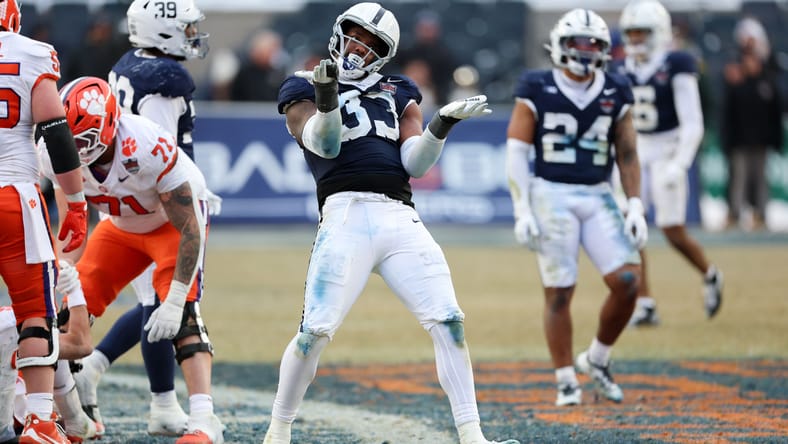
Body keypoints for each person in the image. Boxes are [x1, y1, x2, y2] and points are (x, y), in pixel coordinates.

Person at [263, 3, 519, 444]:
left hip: (400, 216)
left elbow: (414, 163)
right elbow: (323, 146)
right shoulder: (303, 85)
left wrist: (442, 123)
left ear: (385, 52)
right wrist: (327, 100)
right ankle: (278, 431)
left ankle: (473, 436)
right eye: (356, 35)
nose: (359, 48)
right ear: (340, 32)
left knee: (449, 320)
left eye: (372, 43)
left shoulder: (399, 89)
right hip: (344, 213)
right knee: (315, 332)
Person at [39, 76, 224, 444]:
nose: (74, 150)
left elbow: (189, 226)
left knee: (182, 316)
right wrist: (63, 271)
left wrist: (173, 299)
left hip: (171, 225)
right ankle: (73, 410)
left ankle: (205, 421)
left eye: (85, 140)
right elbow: (73, 224)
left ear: (110, 126)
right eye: (68, 140)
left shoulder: (145, 142)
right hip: (120, 227)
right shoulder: (52, 151)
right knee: (66, 310)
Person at [69, 0, 220, 438]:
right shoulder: (162, 83)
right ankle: (166, 405)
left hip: (128, 200)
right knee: (169, 307)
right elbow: (157, 150)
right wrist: (189, 187)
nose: (193, 36)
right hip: (148, 202)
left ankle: (147, 395)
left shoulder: (129, 64)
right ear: (163, 30)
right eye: (186, 28)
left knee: (163, 307)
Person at [506, 8, 647, 407]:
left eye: (593, 44)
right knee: (560, 292)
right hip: (551, 192)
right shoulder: (535, 85)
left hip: (598, 192)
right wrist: (522, 208)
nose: (585, 51)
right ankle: (566, 378)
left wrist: (634, 205)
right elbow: (516, 151)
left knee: (628, 282)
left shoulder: (615, 89)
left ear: (604, 50)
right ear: (560, 45)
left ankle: (597, 359)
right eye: (577, 43)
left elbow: (628, 152)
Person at [0, 1, 89, 442]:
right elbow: (56, 132)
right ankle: (38, 420)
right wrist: (75, 201)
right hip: (15, 196)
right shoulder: (31, 53)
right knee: (34, 311)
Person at [615, 0, 723, 326]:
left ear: (659, 32)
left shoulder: (677, 62)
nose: (635, 40)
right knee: (632, 225)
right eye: (630, 33)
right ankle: (645, 302)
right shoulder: (621, 68)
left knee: (673, 231)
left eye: (642, 32)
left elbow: (693, 122)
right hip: (636, 149)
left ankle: (710, 274)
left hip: (668, 147)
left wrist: (680, 162)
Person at [722, 16, 783, 231]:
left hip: (761, 139)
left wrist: (775, 139)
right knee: (738, 178)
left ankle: (761, 215)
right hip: (740, 139)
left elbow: (775, 111)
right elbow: (728, 112)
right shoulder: (736, 80)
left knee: (760, 179)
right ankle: (735, 214)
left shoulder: (768, 80)